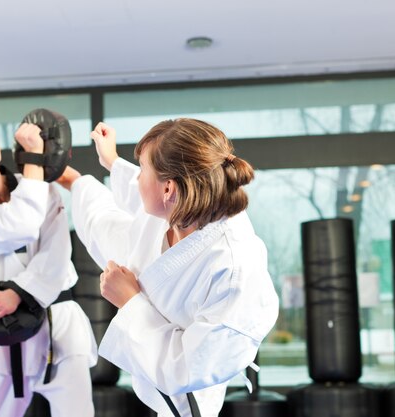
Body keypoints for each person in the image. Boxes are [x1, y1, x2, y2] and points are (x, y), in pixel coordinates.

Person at [57, 119, 279, 417]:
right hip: (156, 387)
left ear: (169, 188)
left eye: (143, 169)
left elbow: (187, 367)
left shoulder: (233, 269)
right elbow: (120, 208)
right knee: (105, 227)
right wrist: (94, 169)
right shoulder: (180, 207)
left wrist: (130, 301)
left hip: (190, 402)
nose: (137, 178)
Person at [0, 122, 97, 417]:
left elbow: (58, 253)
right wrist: (35, 160)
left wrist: (21, 292)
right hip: (4, 325)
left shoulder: (41, 188)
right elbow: (21, 225)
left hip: (59, 317)